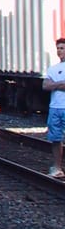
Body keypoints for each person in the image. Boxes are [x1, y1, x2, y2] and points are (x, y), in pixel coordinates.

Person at [42, 36, 65, 178]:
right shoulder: (52, 69)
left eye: (62, 48)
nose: (59, 51)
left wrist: (54, 85)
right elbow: (45, 86)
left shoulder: (53, 72)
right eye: (58, 48)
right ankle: (57, 167)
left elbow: (50, 85)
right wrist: (61, 84)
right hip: (55, 108)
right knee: (55, 139)